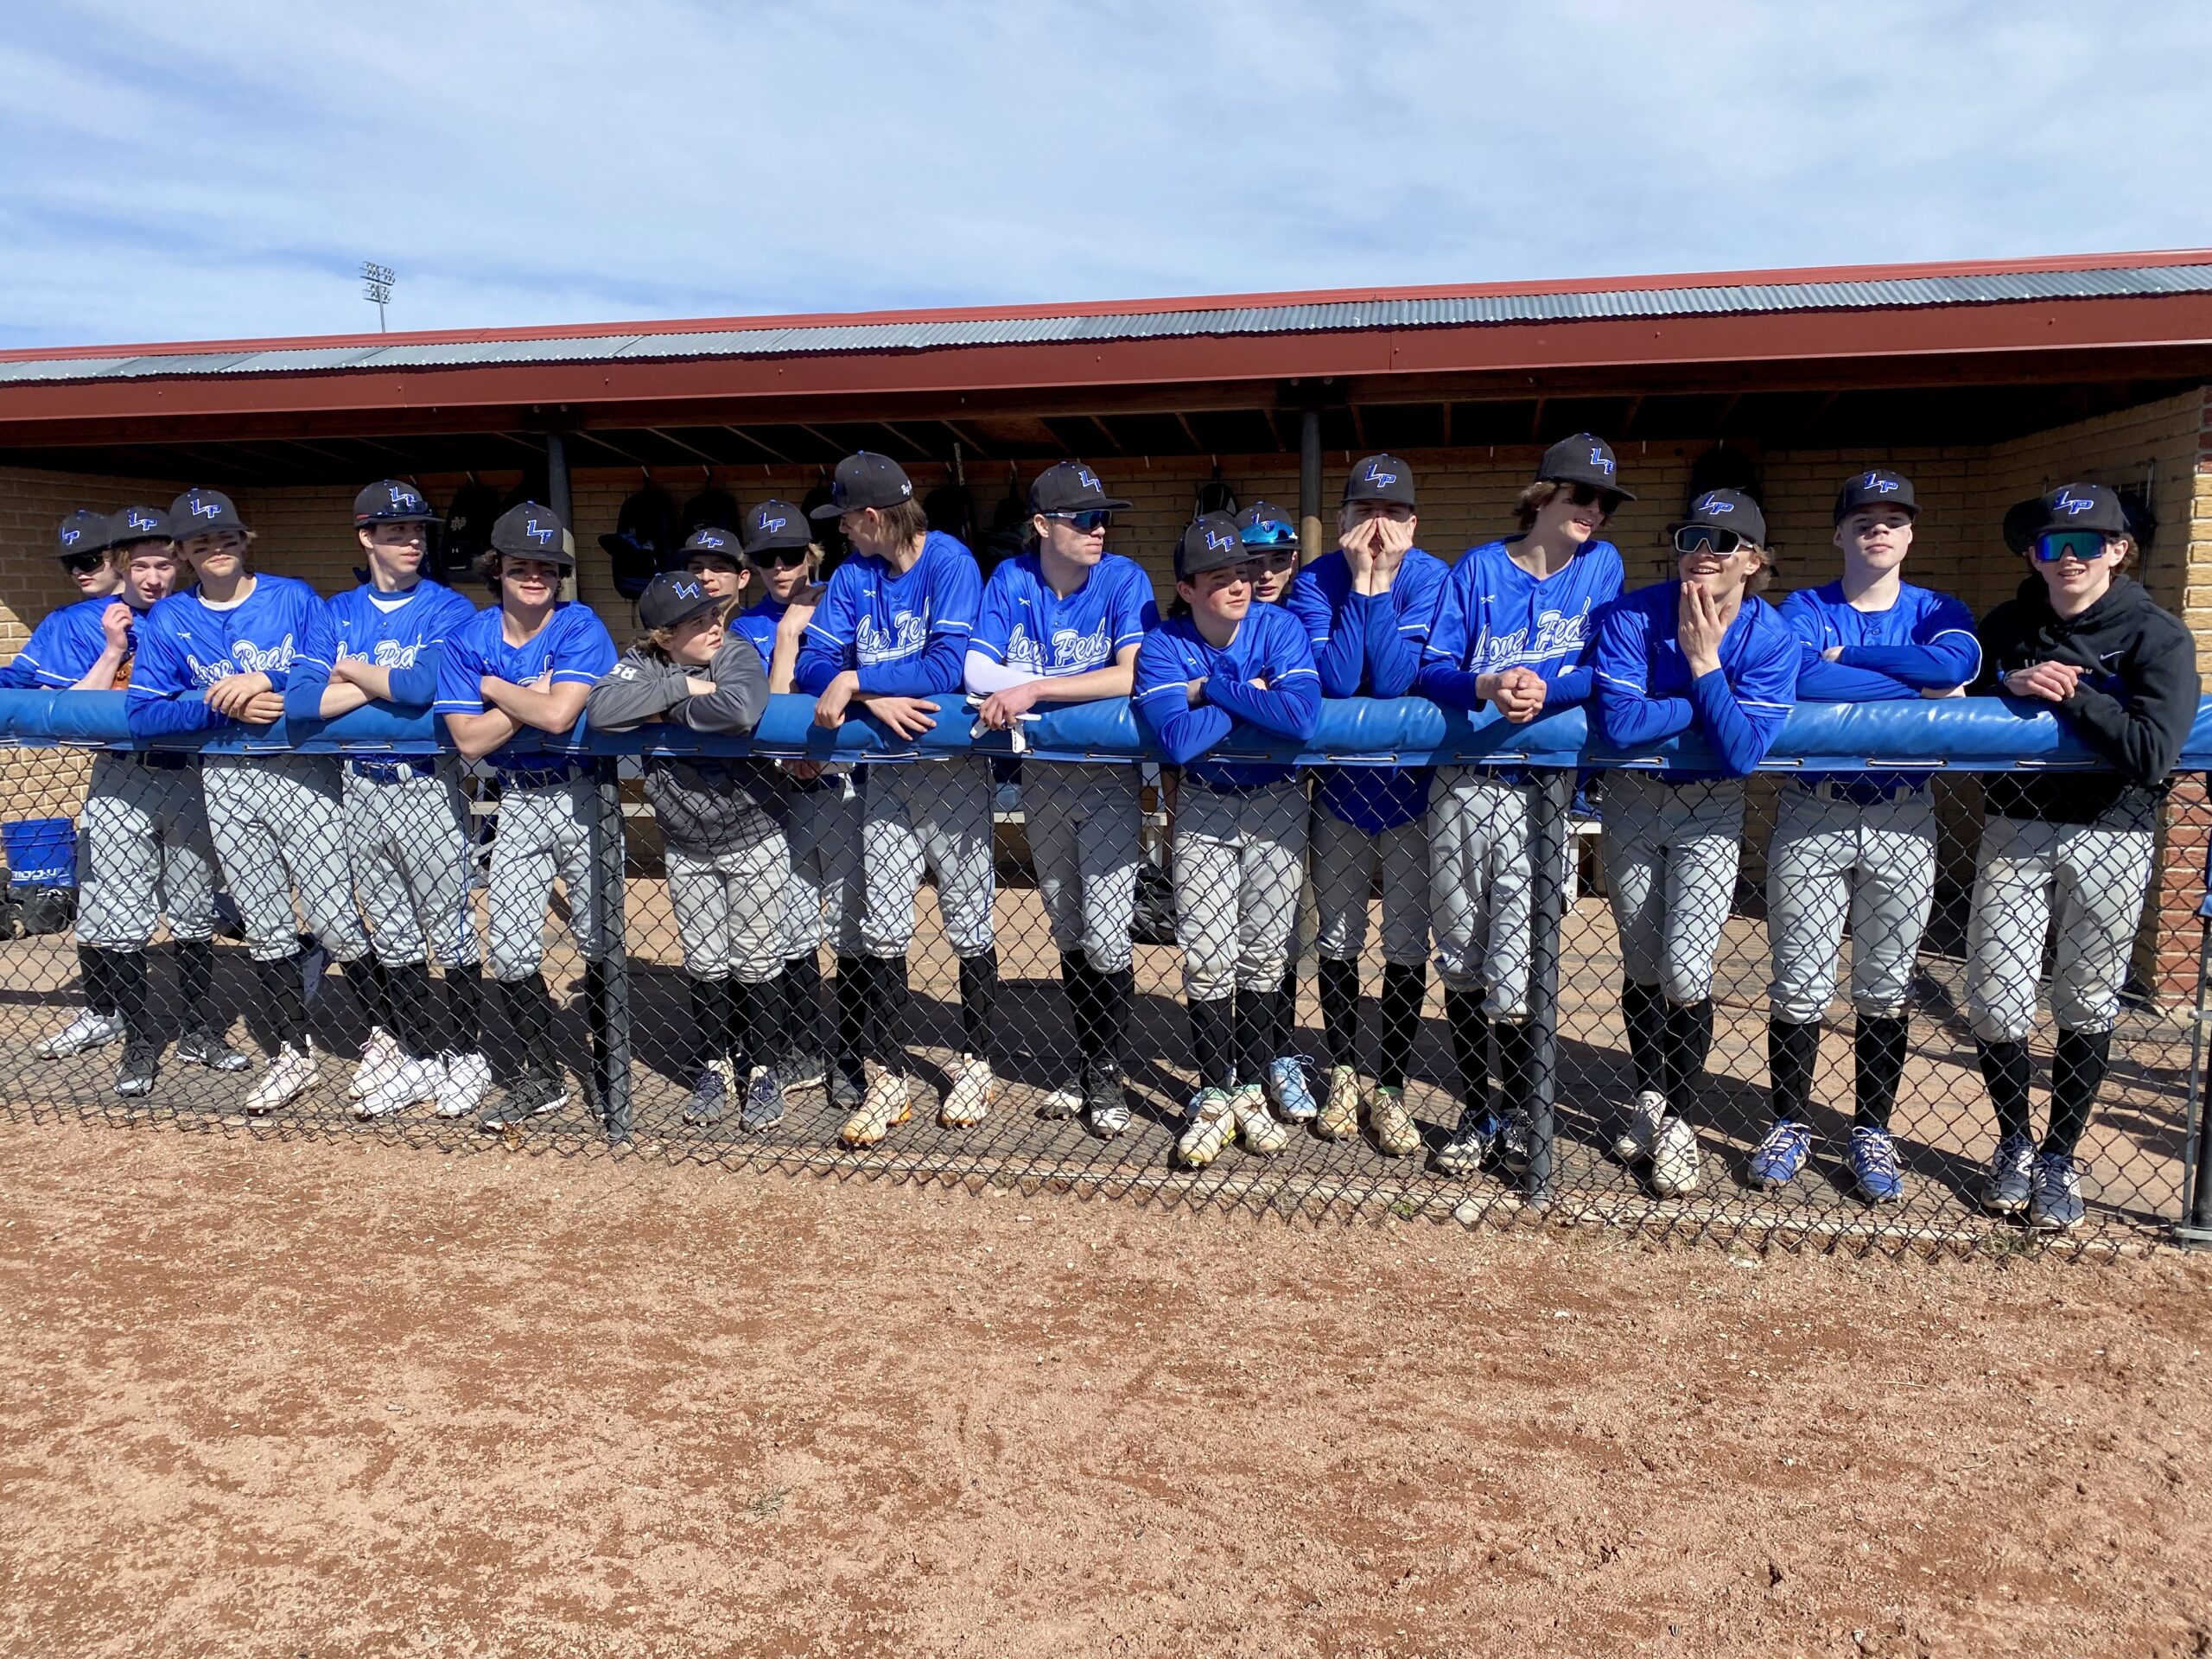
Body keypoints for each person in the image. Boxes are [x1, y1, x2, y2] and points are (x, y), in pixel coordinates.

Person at [1967, 483, 2197, 1231]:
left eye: (2087, 543)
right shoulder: (2007, 624)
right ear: (2033, 555)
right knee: (1998, 1001)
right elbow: (1954, 703)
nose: (2068, 558)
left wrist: (2074, 695)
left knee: (2086, 1002)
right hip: (2014, 825)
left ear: (2119, 551)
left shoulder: (2154, 632)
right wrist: (2008, 683)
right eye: (2051, 545)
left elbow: (2153, 754)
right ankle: (2014, 1143)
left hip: (2113, 832)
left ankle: (2060, 1157)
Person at [1749, 469, 1979, 1204]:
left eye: (1894, 519)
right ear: (1839, 533)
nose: (1879, 529)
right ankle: (1789, 1121)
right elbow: (1799, 685)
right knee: (1800, 980)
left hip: (1904, 810)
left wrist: (1850, 660)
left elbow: (1960, 666)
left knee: (1884, 986)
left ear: (1911, 534)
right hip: (1813, 807)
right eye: (1864, 520)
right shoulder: (1804, 607)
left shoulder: (1938, 605)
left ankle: (1871, 1129)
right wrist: (1914, 685)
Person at [1417, 435, 1630, 1176]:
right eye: (1582, 496)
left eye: (1604, 501)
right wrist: (1486, 684)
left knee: (1523, 968)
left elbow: (1607, 668)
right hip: (1464, 786)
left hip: (1542, 792)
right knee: (1466, 964)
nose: (1595, 512)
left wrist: (1547, 690)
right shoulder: (1478, 567)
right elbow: (1433, 668)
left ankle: (1529, 1116)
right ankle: (1484, 1112)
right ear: (1544, 495)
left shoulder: (1602, 567)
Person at [126, 486, 369, 1115]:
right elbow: (145, 711)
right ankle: (294, 1055)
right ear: (182, 553)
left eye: (226, 537)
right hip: (225, 775)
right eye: (201, 542)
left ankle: (388, 1040)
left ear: (243, 540)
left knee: (337, 916)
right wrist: (220, 700)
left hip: (302, 771)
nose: (217, 549)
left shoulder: (291, 597)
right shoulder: (169, 619)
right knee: (263, 924)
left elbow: (331, 668)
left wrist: (268, 679)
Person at [1592, 488, 1798, 1198]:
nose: (1704, 551)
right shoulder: (1629, 614)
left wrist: (1706, 664)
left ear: (1755, 560)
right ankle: (1650, 1102)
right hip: (1630, 800)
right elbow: (1620, 725)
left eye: (1725, 540)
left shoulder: (1770, 635)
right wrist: (1713, 704)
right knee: (1643, 958)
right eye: (1692, 536)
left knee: (1685, 968)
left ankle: (1679, 1123)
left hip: (1712, 807)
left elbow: (1741, 754)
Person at [795, 452, 996, 1147]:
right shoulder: (853, 576)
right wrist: (865, 686)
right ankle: (887, 1074)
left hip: (951, 769)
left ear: (874, 516)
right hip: (884, 771)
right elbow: (814, 665)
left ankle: (977, 1061)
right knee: (882, 927)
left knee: (969, 922)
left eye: (846, 518)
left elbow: (948, 667)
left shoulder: (950, 563)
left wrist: (857, 682)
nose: (841, 531)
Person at [18, 508, 242, 1093]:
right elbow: (70, 717)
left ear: (182, 564)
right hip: (120, 775)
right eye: (139, 564)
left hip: (192, 775)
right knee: (116, 917)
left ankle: (198, 1030)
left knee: (194, 911)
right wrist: (115, 649)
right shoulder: (89, 622)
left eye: (163, 563)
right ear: (122, 568)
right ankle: (138, 1042)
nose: (152, 576)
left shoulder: (204, 617)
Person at [965, 461, 1159, 1136]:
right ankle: (1087, 1064)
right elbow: (976, 668)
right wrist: (1045, 682)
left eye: (1104, 517)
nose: (1100, 528)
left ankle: (1106, 1072)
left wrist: (1036, 688)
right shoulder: (1012, 578)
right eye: (1084, 518)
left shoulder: (1123, 578)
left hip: (1107, 776)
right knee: (1069, 932)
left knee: (1108, 937)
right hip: (1043, 776)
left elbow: (1132, 674)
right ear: (1043, 525)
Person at [1134, 513, 1321, 1169]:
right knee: (1209, 957)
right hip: (1207, 807)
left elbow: (1299, 720)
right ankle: (1217, 1095)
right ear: (1187, 589)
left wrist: (1212, 689)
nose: (1240, 586)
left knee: (1267, 957)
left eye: (1242, 573)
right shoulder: (1164, 644)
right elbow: (1178, 741)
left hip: (1275, 801)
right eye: (1220, 578)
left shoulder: (1281, 626)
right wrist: (1246, 697)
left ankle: (1246, 1089)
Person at [435, 503, 618, 1130]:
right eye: (521, 565)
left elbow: (562, 716)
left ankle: (608, 1069)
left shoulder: (579, 624)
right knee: (509, 952)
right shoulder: (469, 638)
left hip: (585, 796)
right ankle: (542, 1077)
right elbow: (469, 742)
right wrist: (527, 697)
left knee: (599, 940)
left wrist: (493, 689)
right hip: (519, 798)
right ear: (498, 569)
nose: (535, 576)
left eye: (547, 566)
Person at [1286, 454, 1447, 1155]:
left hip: (1413, 793)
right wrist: (1362, 583)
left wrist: (1382, 586)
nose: (1377, 528)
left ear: (1413, 521)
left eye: (1392, 514)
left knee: (1408, 946)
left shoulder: (1434, 577)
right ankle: (1347, 1074)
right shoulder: (1316, 580)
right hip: (1342, 792)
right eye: (1362, 513)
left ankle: (1391, 1089)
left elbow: (1397, 682)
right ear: (1343, 518)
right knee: (1339, 941)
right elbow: (1336, 677)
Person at [320, 480, 490, 1122]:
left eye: (418, 530)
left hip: (425, 783)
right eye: (396, 531)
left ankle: (466, 1057)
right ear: (367, 538)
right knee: (391, 931)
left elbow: (424, 687)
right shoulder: (337, 609)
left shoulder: (449, 609)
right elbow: (309, 696)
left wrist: (355, 672)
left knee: (447, 929)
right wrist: (376, 685)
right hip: (359, 784)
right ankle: (418, 1058)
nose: (413, 540)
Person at [588, 570, 783, 1128]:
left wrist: (659, 710)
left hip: (753, 831)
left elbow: (743, 710)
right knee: (704, 961)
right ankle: (716, 1066)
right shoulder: (644, 660)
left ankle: (764, 1068)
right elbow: (603, 709)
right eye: (697, 621)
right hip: (685, 839)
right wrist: (682, 687)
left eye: (713, 612)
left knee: (756, 958)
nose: (713, 625)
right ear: (664, 637)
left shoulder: (735, 649)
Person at [732, 499, 866, 1107]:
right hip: (778, 789)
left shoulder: (846, 599)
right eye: (766, 558)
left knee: (851, 928)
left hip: (842, 783)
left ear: (813, 554)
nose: (781, 568)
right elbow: (756, 707)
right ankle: (805, 1045)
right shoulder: (747, 626)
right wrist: (786, 638)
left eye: (791, 555)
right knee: (787, 929)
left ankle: (856, 1053)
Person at [1236, 499, 1321, 1122]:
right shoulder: (1218, 614)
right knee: (1223, 935)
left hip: (1294, 792)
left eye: (1279, 558)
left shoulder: (1304, 615)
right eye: (1253, 559)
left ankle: (1278, 1053)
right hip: (1217, 796)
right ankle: (1238, 1057)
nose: (1267, 572)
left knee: (1283, 936)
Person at [681, 524, 749, 606]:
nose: (706, 577)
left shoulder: (764, 618)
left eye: (719, 568)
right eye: (697, 568)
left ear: (742, 579)